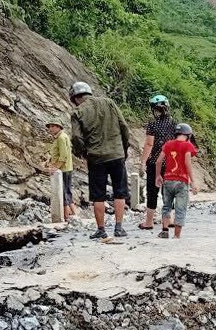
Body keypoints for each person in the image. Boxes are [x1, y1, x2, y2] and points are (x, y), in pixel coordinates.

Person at [68, 81, 131, 239]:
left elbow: (76, 137)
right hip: (117, 154)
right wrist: (124, 149)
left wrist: (83, 152)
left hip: (96, 158)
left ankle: (101, 230)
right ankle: (119, 228)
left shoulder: (77, 112)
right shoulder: (109, 103)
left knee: (98, 195)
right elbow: (124, 127)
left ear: (75, 98)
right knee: (120, 192)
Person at [139, 94, 177, 230]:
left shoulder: (153, 124)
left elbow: (149, 144)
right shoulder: (175, 124)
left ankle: (149, 222)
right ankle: (170, 219)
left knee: (152, 191)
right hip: (171, 163)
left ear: (154, 109)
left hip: (155, 163)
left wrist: (142, 162)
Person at [156, 123, 198, 239]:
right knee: (180, 209)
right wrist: (193, 181)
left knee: (166, 207)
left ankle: (165, 231)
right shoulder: (188, 146)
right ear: (188, 135)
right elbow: (187, 162)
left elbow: (159, 161)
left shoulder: (168, 144)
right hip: (181, 182)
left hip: (168, 180)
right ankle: (176, 236)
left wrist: (158, 176)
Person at [45, 116, 75, 220]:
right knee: (67, 192)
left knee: (64, 193)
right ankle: (73, 215)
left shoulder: (61, 138)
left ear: (58, 127)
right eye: (49, 127)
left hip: (64, 169)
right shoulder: (61, 137)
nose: (50, 129)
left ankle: (67, 217)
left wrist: (56, 167)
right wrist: (49, 162)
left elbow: (63, 155)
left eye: (52, 126)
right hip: (65, 168)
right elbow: (57, 153)